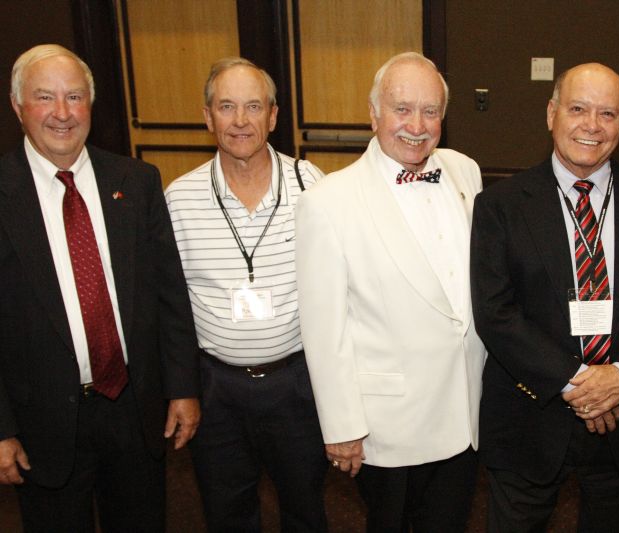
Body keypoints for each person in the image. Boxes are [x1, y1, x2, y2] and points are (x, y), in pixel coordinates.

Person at [471, 62, 619, 532]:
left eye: (607, 113)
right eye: (577, 109)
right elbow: (496, 312)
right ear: (551, 113)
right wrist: (580, 383)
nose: (592, 125)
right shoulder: (500, 204)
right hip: (529, 417)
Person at [0, 44, 200, 532]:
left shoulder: (137, 181)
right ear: (18, 106)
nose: (62, 113)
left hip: (133, 409)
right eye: (45, 97)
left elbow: (170, 297)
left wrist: (182, 388)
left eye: (74, 96)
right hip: (41, 421)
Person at [295, 52, 486, 532]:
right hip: (389, 425)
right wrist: (342, 426)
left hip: (465, 412)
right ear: (373, 112)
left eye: (430, 111)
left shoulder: (464, 171)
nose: (416, 126)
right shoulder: (327, 202)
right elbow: (323, 329)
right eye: (402, 109)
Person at [164, 57, 328, 533]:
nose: (240, 120)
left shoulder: (311, 186)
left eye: (253, 106)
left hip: (297, 385)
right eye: (226, 107)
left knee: (306, 509)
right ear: (207, 116)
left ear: (273, 116)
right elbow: (170, 307)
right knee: (226, 513)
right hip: (217, 391)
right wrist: (182, 389)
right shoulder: (178, 198)